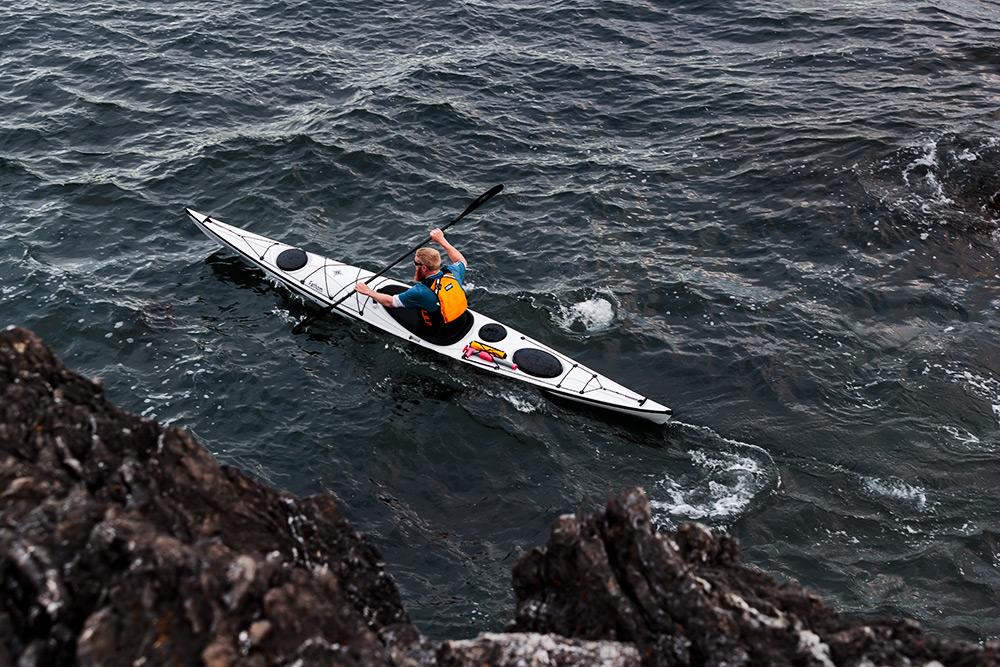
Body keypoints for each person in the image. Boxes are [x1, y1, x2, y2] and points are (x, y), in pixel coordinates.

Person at [355, 228, 468, 331]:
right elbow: (461, 260)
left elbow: (391, 302)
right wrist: (441, 240)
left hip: (438, 331)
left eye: (415, 263)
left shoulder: (420, 291)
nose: (414, 265)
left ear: (424, 268)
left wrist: (368, 292)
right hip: (462, 321)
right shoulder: (452, 273)